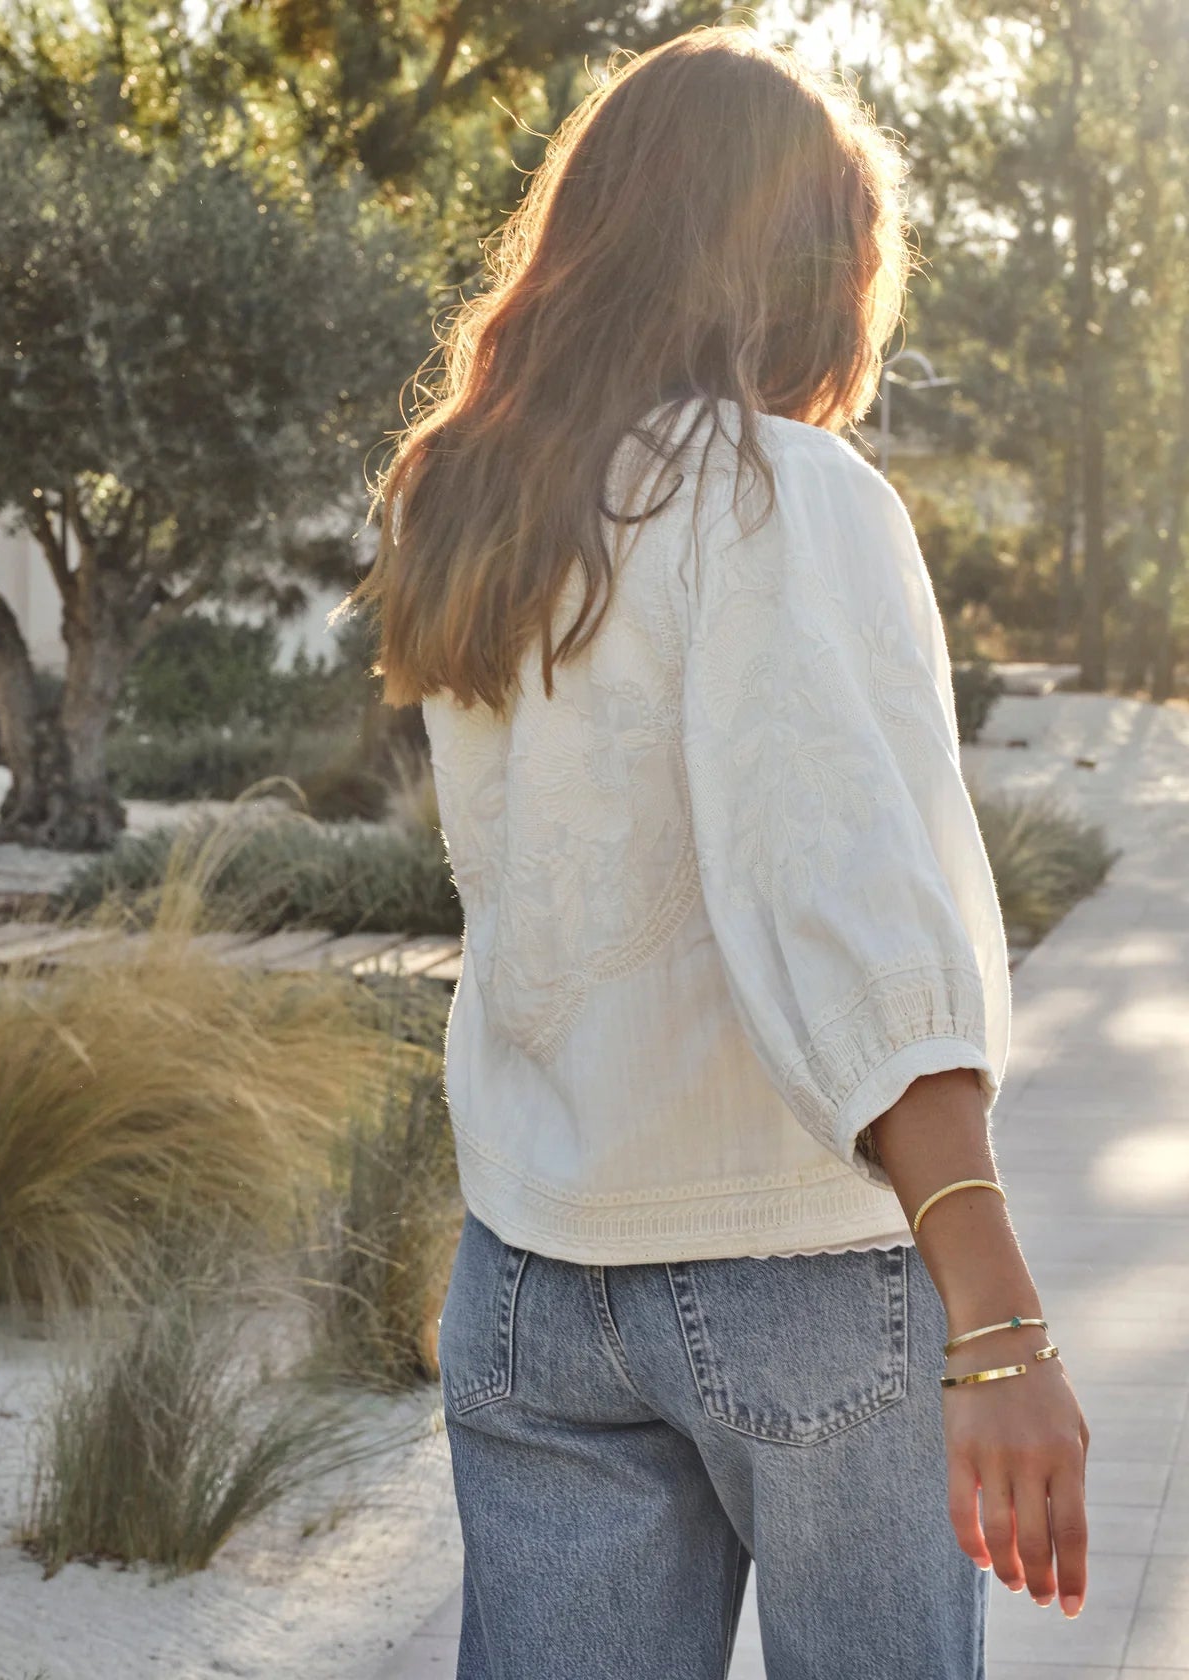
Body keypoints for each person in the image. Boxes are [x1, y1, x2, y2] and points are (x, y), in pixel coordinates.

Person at [343, 23, 1090, 1679]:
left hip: (535, 1281)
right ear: (805, 262)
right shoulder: (783, 492)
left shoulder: (476, 509)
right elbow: (845, 912)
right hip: (800, 1269)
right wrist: (1004, 1315)